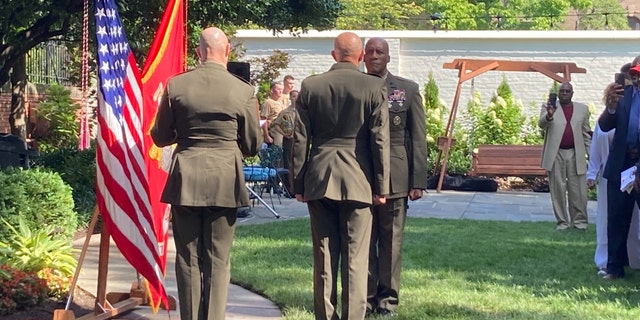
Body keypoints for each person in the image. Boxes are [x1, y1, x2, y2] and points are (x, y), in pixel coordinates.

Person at [150, 26, 262, 319]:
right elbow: (252, 145)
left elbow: (160, 136)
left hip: (187, 175)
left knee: (188, 259)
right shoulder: (243, 90)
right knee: (218, 259)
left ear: (198, 52)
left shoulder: (177, 86)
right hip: (225, 178)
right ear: (227, 52)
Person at [291, 31, 390, 320]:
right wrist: (381, 186)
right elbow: (379, 141)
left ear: (333, 55)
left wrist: (297, 182)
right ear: (361, 57)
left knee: (324, 257)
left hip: (320, 177)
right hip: (359, 178)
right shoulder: (373, 87)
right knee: (356, 260)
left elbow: (300, 139)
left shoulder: (311, 86)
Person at [363, 37, 428, 317]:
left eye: (380, 52)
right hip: (362, 174)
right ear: (362, 57)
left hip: (396, 176)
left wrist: (417, 181)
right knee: (364, 240)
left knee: (391, 241)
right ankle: (364, 297)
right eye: (370, 52)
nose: (375, 56)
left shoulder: (407, 90)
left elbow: (418, 137)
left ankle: (387, 300)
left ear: (389, 57)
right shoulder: (356, 87)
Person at [600, 63, 640, 279]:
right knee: (616, 219)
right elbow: (605, 126)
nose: (637, 80)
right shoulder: (623, 97)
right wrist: (611, 106)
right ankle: (615, 268)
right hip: (621, 166)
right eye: (634, 75)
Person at [538, 82, 591, 230]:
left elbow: (586, 134)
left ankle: (580, 223)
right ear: (558, 93)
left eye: (568, 91)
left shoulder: (582, 109)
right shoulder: (549, 107)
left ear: (572, 93)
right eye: (562, 91)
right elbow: (541, 124)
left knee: (579, 190)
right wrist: (549, 115)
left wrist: (591, 154)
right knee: (557, 190)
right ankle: (562, 223)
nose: (564, 94)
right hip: (556, 154)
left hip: (575, 153)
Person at [272, 89, 298, 169]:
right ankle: (287, 181)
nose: (296, 98)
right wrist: (284, 134)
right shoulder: (285, 112)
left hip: (299, 140)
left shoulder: (303, 111)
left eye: (297, 97)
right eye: (293, 96)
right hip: (289, 140)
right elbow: (276, 125)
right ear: (290, 97)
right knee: (288, 163)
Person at [260, 81, 285, 146]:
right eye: (278, 89)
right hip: (274, 131)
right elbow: (263, 119)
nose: (281, 91)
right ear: (272, 91)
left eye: (281, 89)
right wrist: (266, 135)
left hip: (283, 131)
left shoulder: (281, 102)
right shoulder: (268, 103)